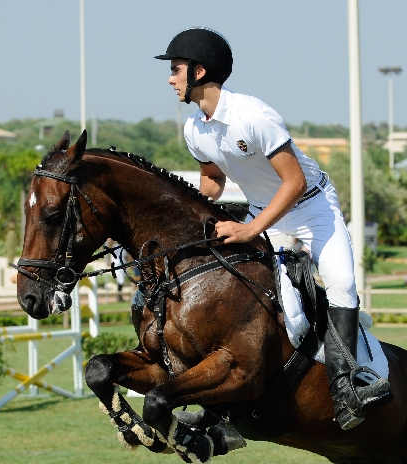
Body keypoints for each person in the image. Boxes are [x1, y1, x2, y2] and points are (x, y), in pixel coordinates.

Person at [157, 28, 391, 430]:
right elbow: (211, 180)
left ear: (199, 70)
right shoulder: (195, 129)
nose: (170, 78)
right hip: (265, 210)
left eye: (176, 69)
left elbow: (294, 182)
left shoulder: (253, 115)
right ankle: (223, 405)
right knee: (236, 286)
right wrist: (189, 217)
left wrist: (251, 231)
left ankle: (349, 385)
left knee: (341, 282)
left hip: (312, 205)